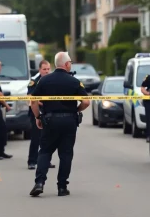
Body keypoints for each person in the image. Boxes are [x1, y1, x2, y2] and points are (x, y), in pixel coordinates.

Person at [29, 52, 90, 197]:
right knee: (66, 154)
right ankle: (62, 187)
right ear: (67, 64)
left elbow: (33, 101)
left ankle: (39, 183)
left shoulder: (44, 81)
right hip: (69, 122)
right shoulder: (74, 81)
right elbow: (86, 102)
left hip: (50, 121)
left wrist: (38, 116)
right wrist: (76, 110)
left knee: (44, 151)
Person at [27, 60, 55, 170]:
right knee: (36, 138)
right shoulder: (34, 81)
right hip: (36, 112)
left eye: (48, 69)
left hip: (48, 112)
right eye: (44, 69)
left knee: (48, 139)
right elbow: (30, 97)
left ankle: (46, 161)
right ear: (40, 70)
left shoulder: (52, 80)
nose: (47, 71)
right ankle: (32, 161)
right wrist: (42, 102)